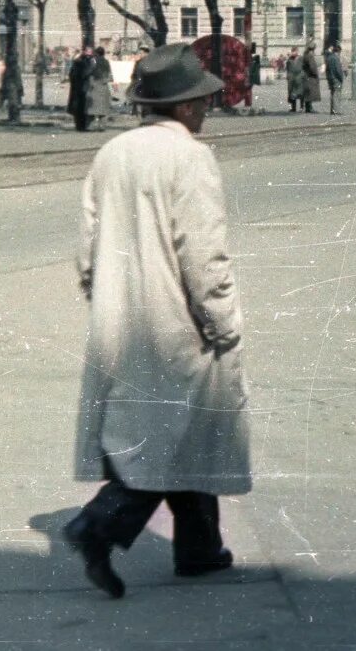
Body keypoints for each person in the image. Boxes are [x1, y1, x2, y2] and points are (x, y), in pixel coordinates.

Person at [63, 44, 248, 599]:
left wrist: (103, 298)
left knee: (177, 430)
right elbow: (204, 255)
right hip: (178, 320)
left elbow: (87, 248)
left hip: (122, 316)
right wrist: (221, 320)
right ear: (188, 107)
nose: (209, 106)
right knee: (170, 434)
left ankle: (199, 549)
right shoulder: (191, 157)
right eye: (204, 99)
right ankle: (99, 525)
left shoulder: (113, 153)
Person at [67, 49, 95, 132]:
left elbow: (71, 76)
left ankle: (79, 126)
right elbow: (85, 75)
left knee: (78, 110)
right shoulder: (82, 65)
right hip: (82, 90)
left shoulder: (75, 65)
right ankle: (82, 127)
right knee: (82, 109)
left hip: (75, 90)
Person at [299, 42, 322, 114]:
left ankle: (307, 107)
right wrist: (316, 73)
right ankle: (309, 108)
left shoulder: (305, 55)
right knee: (310, 92)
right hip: (310, 76)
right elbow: (312, 67)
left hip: (305, 76)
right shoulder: (310, 55)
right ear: (313, 49)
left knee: (307, 92)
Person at [323, 43, 344, 114]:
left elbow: (327, 69)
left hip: (330, 78)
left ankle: (332, 109)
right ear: (338, 51)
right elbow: (338, 70)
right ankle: (336, 110)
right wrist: (341, 78)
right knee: (337, 94)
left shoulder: (329, 58)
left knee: (332, 94)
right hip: (336, 79)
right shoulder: (336, 58)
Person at [285, 47, 303, 112]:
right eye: (292, 51)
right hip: (292, 78)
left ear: (297, 51)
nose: (293, 53)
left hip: (299, 78)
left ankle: (301, 107)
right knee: (292, 94)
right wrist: (288, 76)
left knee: (301, 93)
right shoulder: (289, 59)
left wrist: (302, 75)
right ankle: (293, 107)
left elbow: (304, 67)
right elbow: (287, 69)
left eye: (294, 51)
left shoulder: (301, 58)